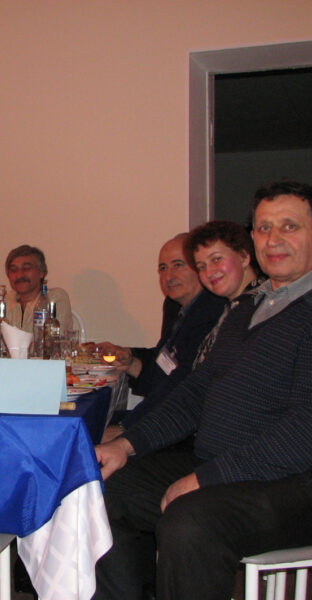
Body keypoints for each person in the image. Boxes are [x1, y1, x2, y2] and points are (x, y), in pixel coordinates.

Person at [93, 180, 312, 600]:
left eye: (290, 226)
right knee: (100, 486)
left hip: (292, 481)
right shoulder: (249, 307)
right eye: (264, 228)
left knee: (189, 522)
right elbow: (196, 393)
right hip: (222, 464)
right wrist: (127, 444)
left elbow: (305, 429)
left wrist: (207, 478)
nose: (274, 239)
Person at [99, 233, 225, 440]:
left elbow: (180, 385)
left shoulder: (212, 313)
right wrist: (130, 361)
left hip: (189, 429)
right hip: (163, 414)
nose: (169, 276)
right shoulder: (175, 306)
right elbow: (164, 364)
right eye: (163, 268)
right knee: (87, 420)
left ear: (200, 268)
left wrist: (125, 429)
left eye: (178, 265)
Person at [185, 220, 265, 365]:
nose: (209, 272)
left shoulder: (263, 308)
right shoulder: (231, 308)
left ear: (244, 257)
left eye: (216, 259)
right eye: (201, 267)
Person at [0, 244, 73, 348]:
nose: (19, 275)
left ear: (41, 272)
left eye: (26, 268)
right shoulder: (2, 302)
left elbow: (54, 346)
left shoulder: (54, 299)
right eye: (13, 270)